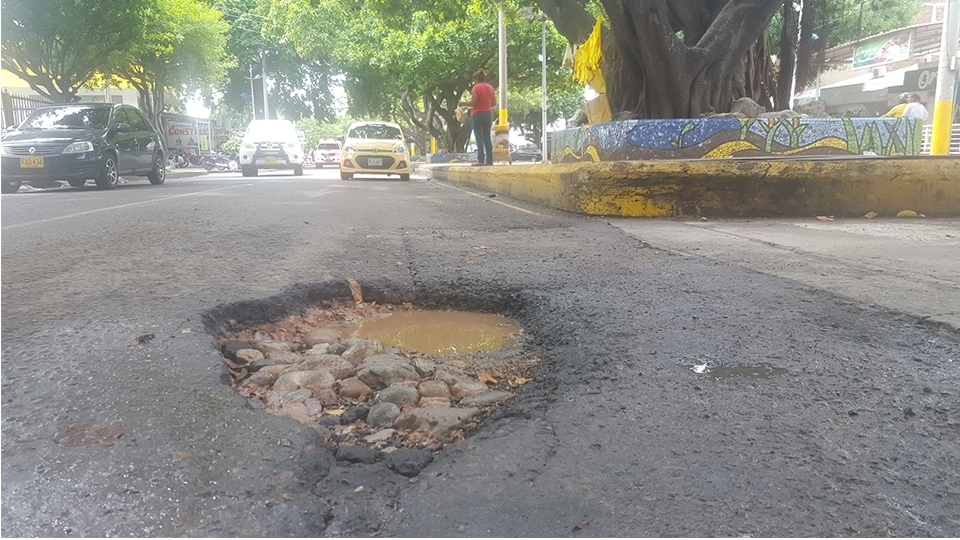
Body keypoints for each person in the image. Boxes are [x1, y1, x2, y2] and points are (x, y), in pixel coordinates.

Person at [459, 69, 496, 166]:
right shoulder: (490, 88)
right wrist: (486, 105)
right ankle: (489, 160)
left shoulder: (476, 88)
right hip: (488, 114)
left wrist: (462, 103)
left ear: (476, 79)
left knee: (479, 138)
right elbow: (494, 103)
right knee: (487, 138)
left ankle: (480, 160)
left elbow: (473, 103)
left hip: (477, 114)